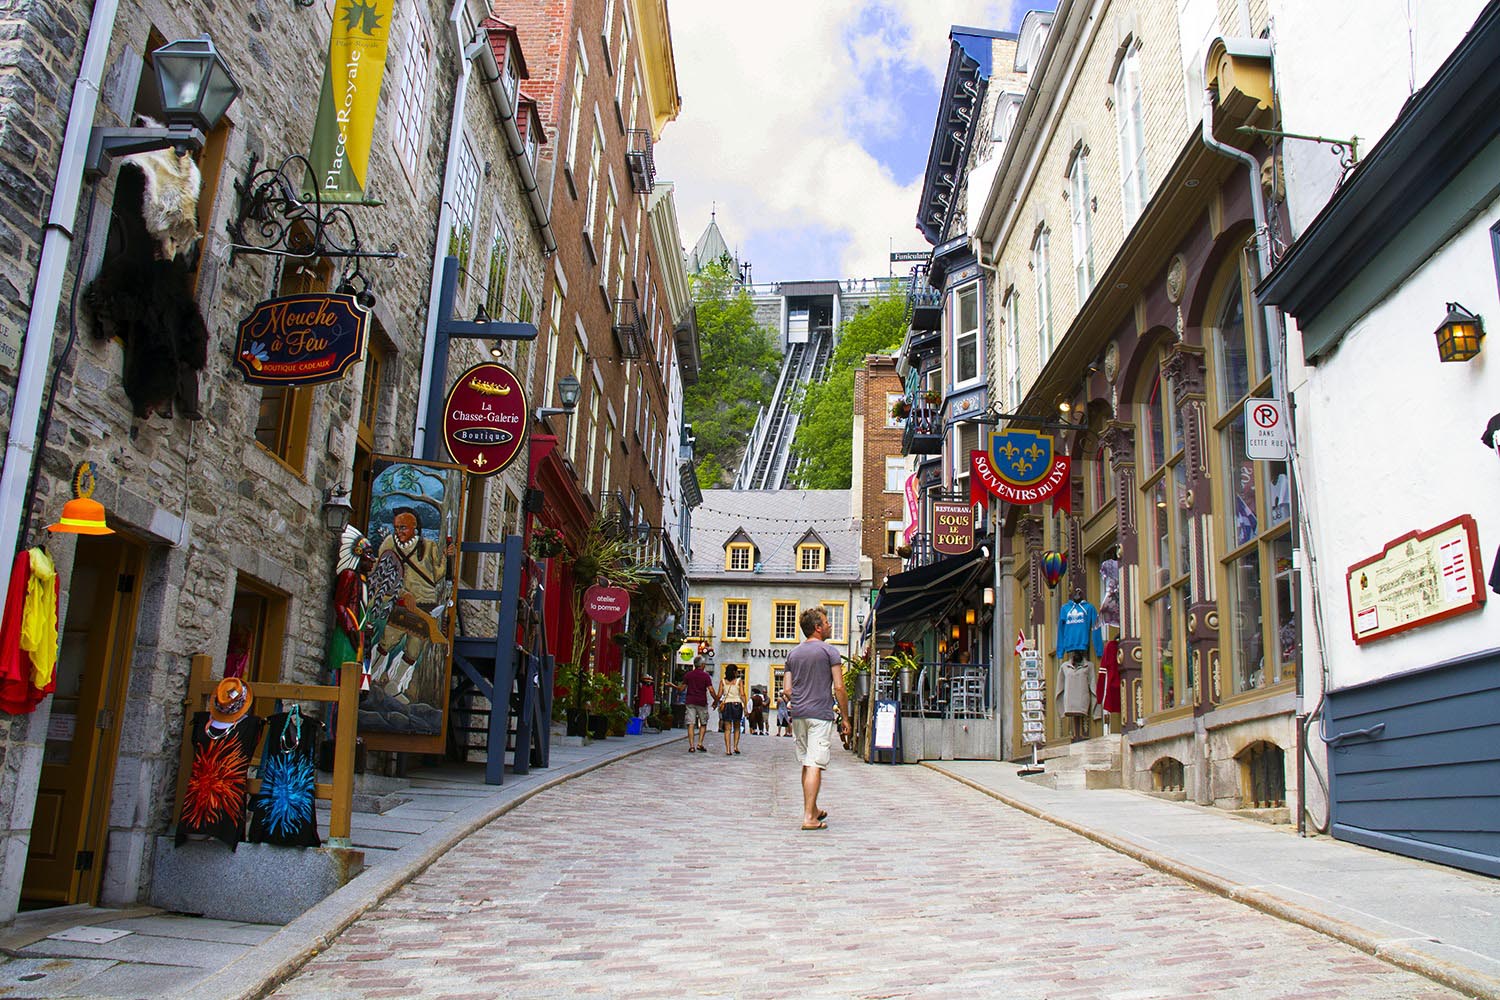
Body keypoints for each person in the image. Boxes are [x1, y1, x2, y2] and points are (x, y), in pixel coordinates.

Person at [373, 507, 453, 697]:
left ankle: (396, 684)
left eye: (403, 528)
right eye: (396, 528)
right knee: (387, 640)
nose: (399, 532)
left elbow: (438, 574)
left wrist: (448, 557)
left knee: (414, 649)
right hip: (401, 600)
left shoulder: (429, 546)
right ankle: (371, 676)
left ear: (414, 527)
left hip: (425, 603)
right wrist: (400, 592)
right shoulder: (389, 543)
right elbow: (382, 570)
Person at [782, 606, 849, 831]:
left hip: (799, 714)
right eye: (827, 622)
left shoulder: (793, 654)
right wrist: (845, 718)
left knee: (807, 763)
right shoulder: (830, 652)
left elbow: (787, 690)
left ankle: (813, 808)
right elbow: (839, 687)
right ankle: (809, 818)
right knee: (815, 764)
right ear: (818, 628)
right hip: (820, 714)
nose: (830, 625)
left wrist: (801, 699)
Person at [682, 656, 713, 753]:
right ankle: (699, 743)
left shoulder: (688, 675)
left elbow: (681, 688)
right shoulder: (705, 676)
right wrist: (716, 699)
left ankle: (691, 746)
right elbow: (711, 690)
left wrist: (673, 686)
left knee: (691, 723)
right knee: (703, 723)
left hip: (690, 701)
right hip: (701, 702)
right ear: (702, 665)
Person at [715, 665, 746, 755]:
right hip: (737, 704)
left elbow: (719, 694)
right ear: (734, 672)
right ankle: (735, 746)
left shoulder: (723, 682)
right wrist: (745, 707)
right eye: (736, 671)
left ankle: (728, 749)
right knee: (737, 727)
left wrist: (715, 702)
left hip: (727, 704)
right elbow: (742, 694)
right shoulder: (739, 681)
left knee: (727, 728)